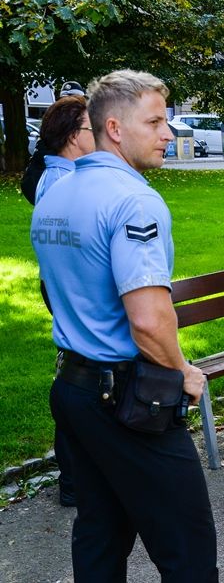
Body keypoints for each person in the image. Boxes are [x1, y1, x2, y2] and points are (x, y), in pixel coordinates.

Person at [31, 70, 218, 580]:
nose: (169, 132)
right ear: (114, 127)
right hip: (128, 400)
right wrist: (183, 370)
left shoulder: (55, 195)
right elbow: (148, 321)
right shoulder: (134, 200)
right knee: (189, 549)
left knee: (100, 534)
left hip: (73, 388)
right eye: (155, 121)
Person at [28, 95, 96, 509]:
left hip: (61, 288)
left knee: (73, 374)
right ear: (74, 137)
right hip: (71, 291)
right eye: (92, 127)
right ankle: (74, 479)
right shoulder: (66, 183)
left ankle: (75, 477)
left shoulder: (52, 179)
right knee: (75, 377)